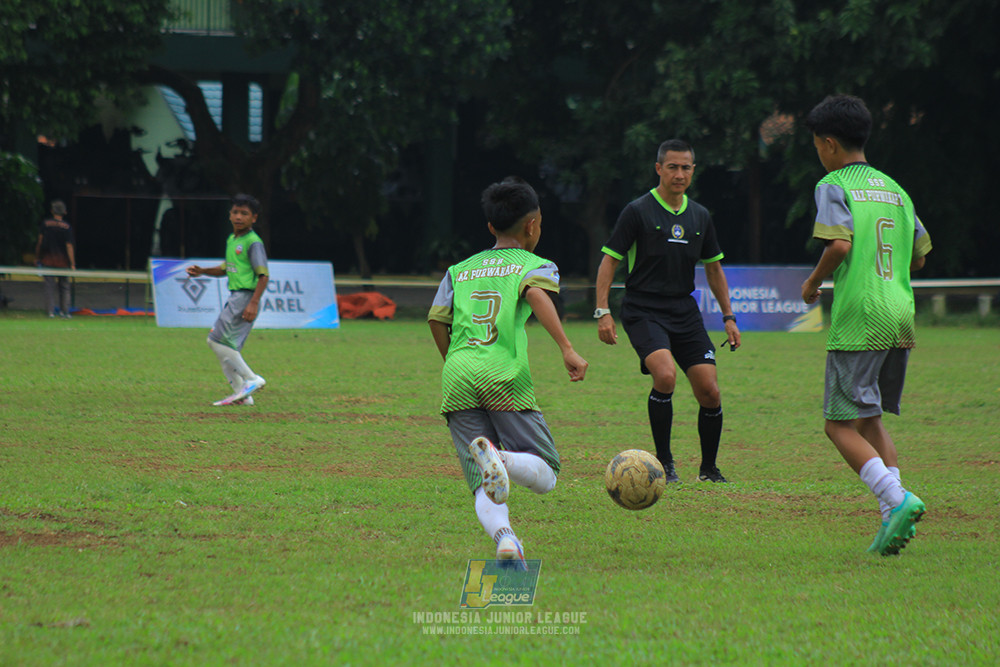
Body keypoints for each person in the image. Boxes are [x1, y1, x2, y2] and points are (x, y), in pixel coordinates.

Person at [428, 178, 588, 570]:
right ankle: (501, 458)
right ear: (533, 225)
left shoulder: (459, 269)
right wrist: (567, 347)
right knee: (547, 471)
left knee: (483, 478)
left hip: (458, 373)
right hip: (503, 376)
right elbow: (536, 294)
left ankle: (506, 541)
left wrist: (455, 361)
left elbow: (435, 319)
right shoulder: (535, 265)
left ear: (490, 228)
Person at [800, 94, 931, 556]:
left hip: (860, 316)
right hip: (900, 312)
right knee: (870, 417)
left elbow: (837, 246)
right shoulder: (896, 190)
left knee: (838, 426)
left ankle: (896, 501)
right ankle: (890, 522)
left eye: (817, 145)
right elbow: (918, 252)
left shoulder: (834, 183)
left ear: (830, 144)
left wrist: (814, 283)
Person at [595, 139, 740, 484]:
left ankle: (709, 469)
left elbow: (714, 269)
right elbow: (609, 260)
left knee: (710, 390)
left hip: (684, 311)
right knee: (665, 376)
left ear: (693, 170)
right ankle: (664, 462)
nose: (679, 174)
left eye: (686, 167)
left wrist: (729, 317)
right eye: (672, 167)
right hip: (643, 308)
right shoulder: (638, 211)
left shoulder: (700, 216)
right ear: (659, 169)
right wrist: (602, 310)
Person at [187, 194, 269, 407]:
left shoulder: (253, 242)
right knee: (226, 346)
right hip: (237, 296)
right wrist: (203, 271)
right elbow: (226, 267)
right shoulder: (232, 240)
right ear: (229, 215)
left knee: (216, 340)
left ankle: (252, 379)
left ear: (254, 218)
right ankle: (243, 397)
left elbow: (263, 275)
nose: (239, 217)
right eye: (235, 212)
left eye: (244, 213)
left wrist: (253, 302)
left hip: (245, 296)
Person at [35, 200, 76, 318]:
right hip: (63, 262)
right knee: (64, 287)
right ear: (65, 212)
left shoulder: (45, 224)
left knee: (49, 287)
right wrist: (72, 263)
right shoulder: (67, 227)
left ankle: (50, 312)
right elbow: (69, 246)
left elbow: (40, 241)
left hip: (47, 260)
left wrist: (37, 257)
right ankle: (65, 311)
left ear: (52, 211)